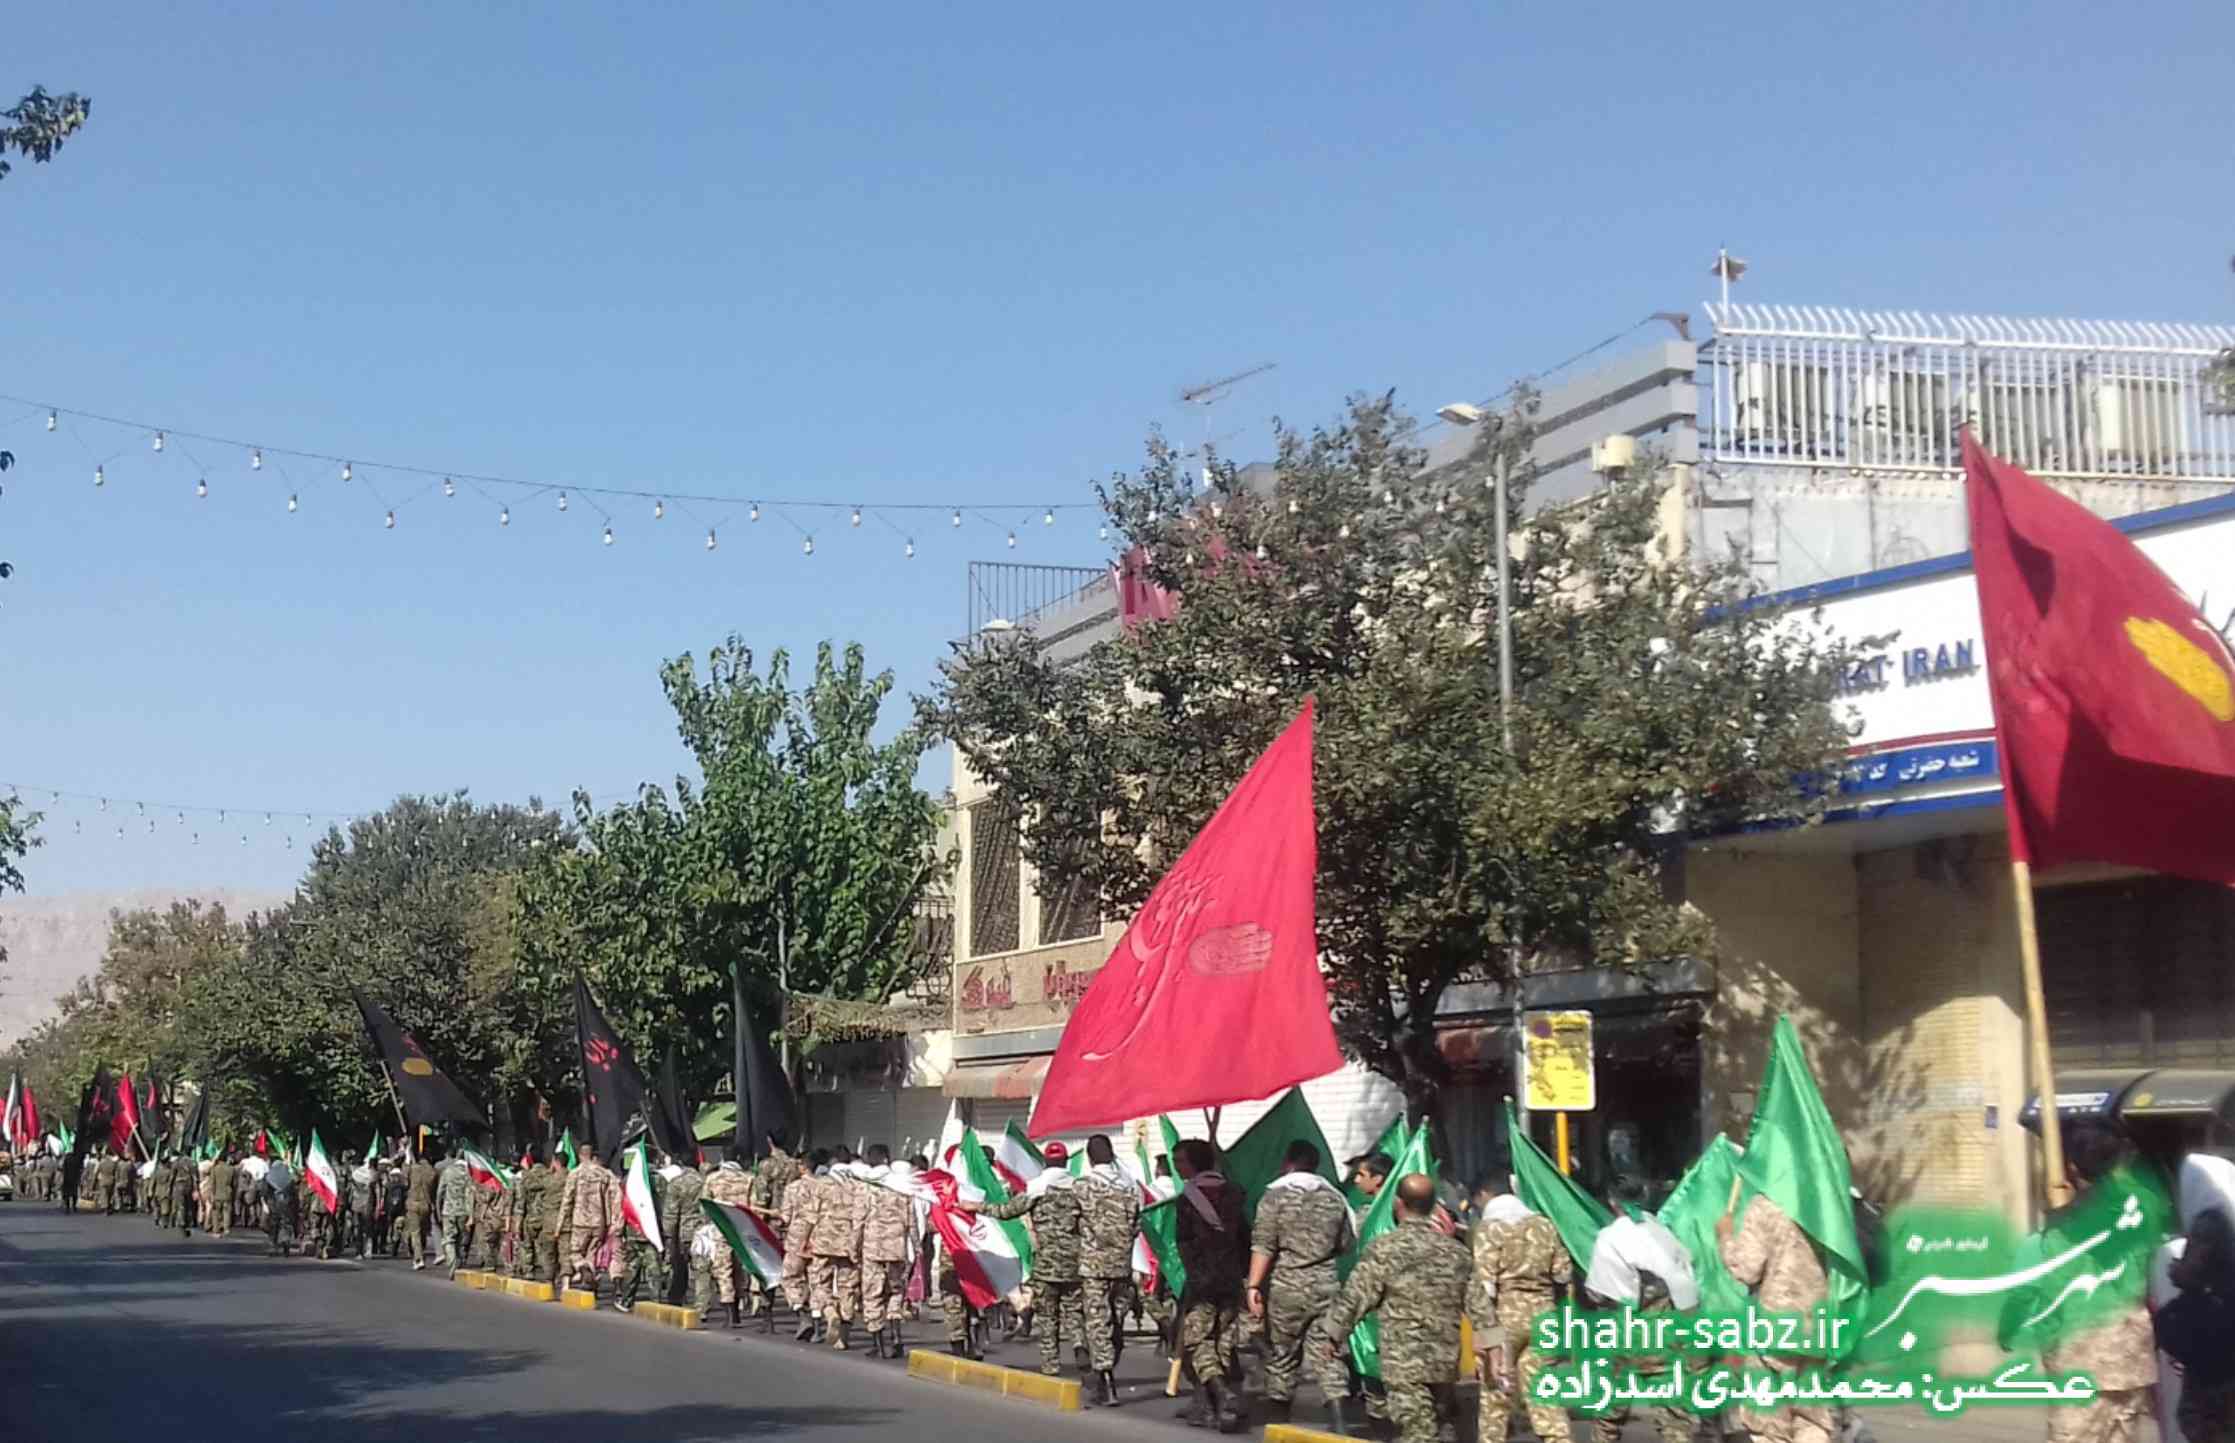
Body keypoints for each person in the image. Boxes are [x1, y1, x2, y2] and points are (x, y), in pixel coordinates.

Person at [1322, 1174, 1471, 1443]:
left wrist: (1333, 1334)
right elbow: (1478, 1303)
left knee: (1418, 1433)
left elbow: (1357, 1295)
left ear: (1398, 1203)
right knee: (1436, 1423)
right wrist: (1493, 1345)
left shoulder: (1385, 1249)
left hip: (1403, 1361)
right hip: (1444, 1359)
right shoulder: (1456, 1253)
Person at [1719, 1173, 1836, 1443]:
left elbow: (1747, 1268)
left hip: (1775, 1328)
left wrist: (1725, 1236)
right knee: (1811, 1418)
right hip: (1818, 1327)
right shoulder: (1828, 1204)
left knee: (1769, 1423)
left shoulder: (1766, 1205)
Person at [1581, 1176, 1699, 1443]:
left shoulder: (1610, 1237)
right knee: (1674, 1415)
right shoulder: (1661, 1231)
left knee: (1608, 1411)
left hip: (1621, 1334)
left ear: (1612, 1201)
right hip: (1663, 1334)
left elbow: (1600, 1291)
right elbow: (1685, 1273)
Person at [1249, 1139, 1353, 1425]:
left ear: (1288, 1162)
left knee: (1283, 1355)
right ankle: (1340, 1424)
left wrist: (1253, 1286)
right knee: (1328, 1354)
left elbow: (1263, 1245)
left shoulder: (1274, 1197)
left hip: (1287, 1287)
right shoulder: (1334, 1199)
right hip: (1326, 1286)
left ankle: (1279, 1422)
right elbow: (1345, 1243)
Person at [1468, 1169, 1574, 1443]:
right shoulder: (1544, 1225)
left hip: (1502, 1318)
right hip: (1544, 1314)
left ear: (1484, 1195)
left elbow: (1484, 1287)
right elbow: (1563, 1273)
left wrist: (1482, 1333)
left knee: (1496, 1393)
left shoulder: (1489, 1228)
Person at [965, 1139, 1086, 1377]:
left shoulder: (1036, 1188)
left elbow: (1006, 1211)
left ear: (1045, 1162)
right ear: (1065, 1162)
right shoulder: (1079, 1188)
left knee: (1048, 1316)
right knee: (1074, 1311)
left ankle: (1051, 1366)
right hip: (1074, 1262)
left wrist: (978, 1207)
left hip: (1046, 1263)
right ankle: (1079, 1344)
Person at [1170, 1137, 1249, 1432]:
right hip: (1231, 1279)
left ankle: (1221, 1393)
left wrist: (1194, 1275)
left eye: (1180, 1161)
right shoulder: (1235, 1193)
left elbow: (1184, 1244)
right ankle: (1210, 1407)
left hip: (1202, 1282)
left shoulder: (1188, 1199)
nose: (1177, 1167)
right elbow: (1245, 1239)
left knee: (1197, 1342)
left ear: (1194, 1163)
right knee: (1223, 1341)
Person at [2163, 1153, 2235, 1443]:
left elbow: (2190, 1274)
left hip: (2214, 1344)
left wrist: (2175, 1269)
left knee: (2208, 1421)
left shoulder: (2209, 1224)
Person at [856, 1145, 917, 1359]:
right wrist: (916, 1247)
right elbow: (912, 1222)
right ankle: (896, 1336)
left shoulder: (865, 1187)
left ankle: (878, 1344)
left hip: (872, 1249)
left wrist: (853, 1249)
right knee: (895, 1292)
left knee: (872, 1295)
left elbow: (858, 1222)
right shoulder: (901, 1186)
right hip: (896, 1248)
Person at [702, 1151, 759, 1327]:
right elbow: (754, 1207)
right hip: (743, 1229)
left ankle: (730, 1313)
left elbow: (705, 1206)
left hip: (722, 1229)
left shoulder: (712, 1179)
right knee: (740, 1269)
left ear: (722, 1158)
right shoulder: (749, 1179)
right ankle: (739, 1307)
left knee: (723, 1270)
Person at [615, 1150, 666, 1313]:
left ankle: (626, 1300)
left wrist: (619, 1230)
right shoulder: (659, 1179)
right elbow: (665, 1204)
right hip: (651, 1230)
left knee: (632, 1268)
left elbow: (622, 1206)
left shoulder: (628, 1179)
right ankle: (656, 1302)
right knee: (653, 1269)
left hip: (632, 1229)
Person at [567, 1147, 622, 1298]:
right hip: (599, 1222)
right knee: (592, 1253)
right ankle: (589, 1284)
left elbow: (567, 1200)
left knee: (575, 1252)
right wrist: (614, 1222)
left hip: (579, 1220)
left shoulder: (575, 1173)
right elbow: (616, 1198)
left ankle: (583, 1270)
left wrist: (561, 1223)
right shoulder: (606, 1174)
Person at [660, 1150, 706, 1310]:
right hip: (704, 1231)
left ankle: (676, 1298)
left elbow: (671, 1213)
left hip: (684, 1232)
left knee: (680, 1266)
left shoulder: (677, 1183)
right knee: (702, 1270)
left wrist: (668, 1235)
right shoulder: (705, 1181)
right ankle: (701, 1306)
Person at [435, 1147, 474, 1276]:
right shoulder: (468, 1173)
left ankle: (452, 1263)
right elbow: (470, 1194)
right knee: (460, 1238)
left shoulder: (448, 1171)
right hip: (463, 1211)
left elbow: (440, 1192)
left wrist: (438, 1209)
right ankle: (460, 1260)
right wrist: (471, 1215)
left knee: (448, 1239)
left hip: (448, 1210)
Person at [405, 1145, 438, 1269]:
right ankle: (421, 1252)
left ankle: (418, 1258)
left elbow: (404, 1179)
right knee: (423, 1231)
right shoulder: (432, 1171)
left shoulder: (412, 1169)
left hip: (413, 1203)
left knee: (415, 1233)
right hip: (426, 1204)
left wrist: (407, 1158)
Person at [261, 1154, 298, 1256]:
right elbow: (294, 1193)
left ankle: (273, 1246)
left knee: (274, 1224)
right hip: (287, 1204)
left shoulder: (268, 1177)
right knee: (286, 1224)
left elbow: (264, 1191)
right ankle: (286, 1242)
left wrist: (264, 1203)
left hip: (273, 1204)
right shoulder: (289, 1177)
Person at [170, 1149, 198, 1236]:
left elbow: (172, 1176)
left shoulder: (176, 1162)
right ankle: (189, 1221)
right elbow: (195, 1177)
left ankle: (182, 1222)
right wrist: (196, 1189)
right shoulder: (192, 1162)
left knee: (181, 1205)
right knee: (189, 1205)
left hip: (179, 1185)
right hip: (189, 1185)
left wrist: (170, 1188)